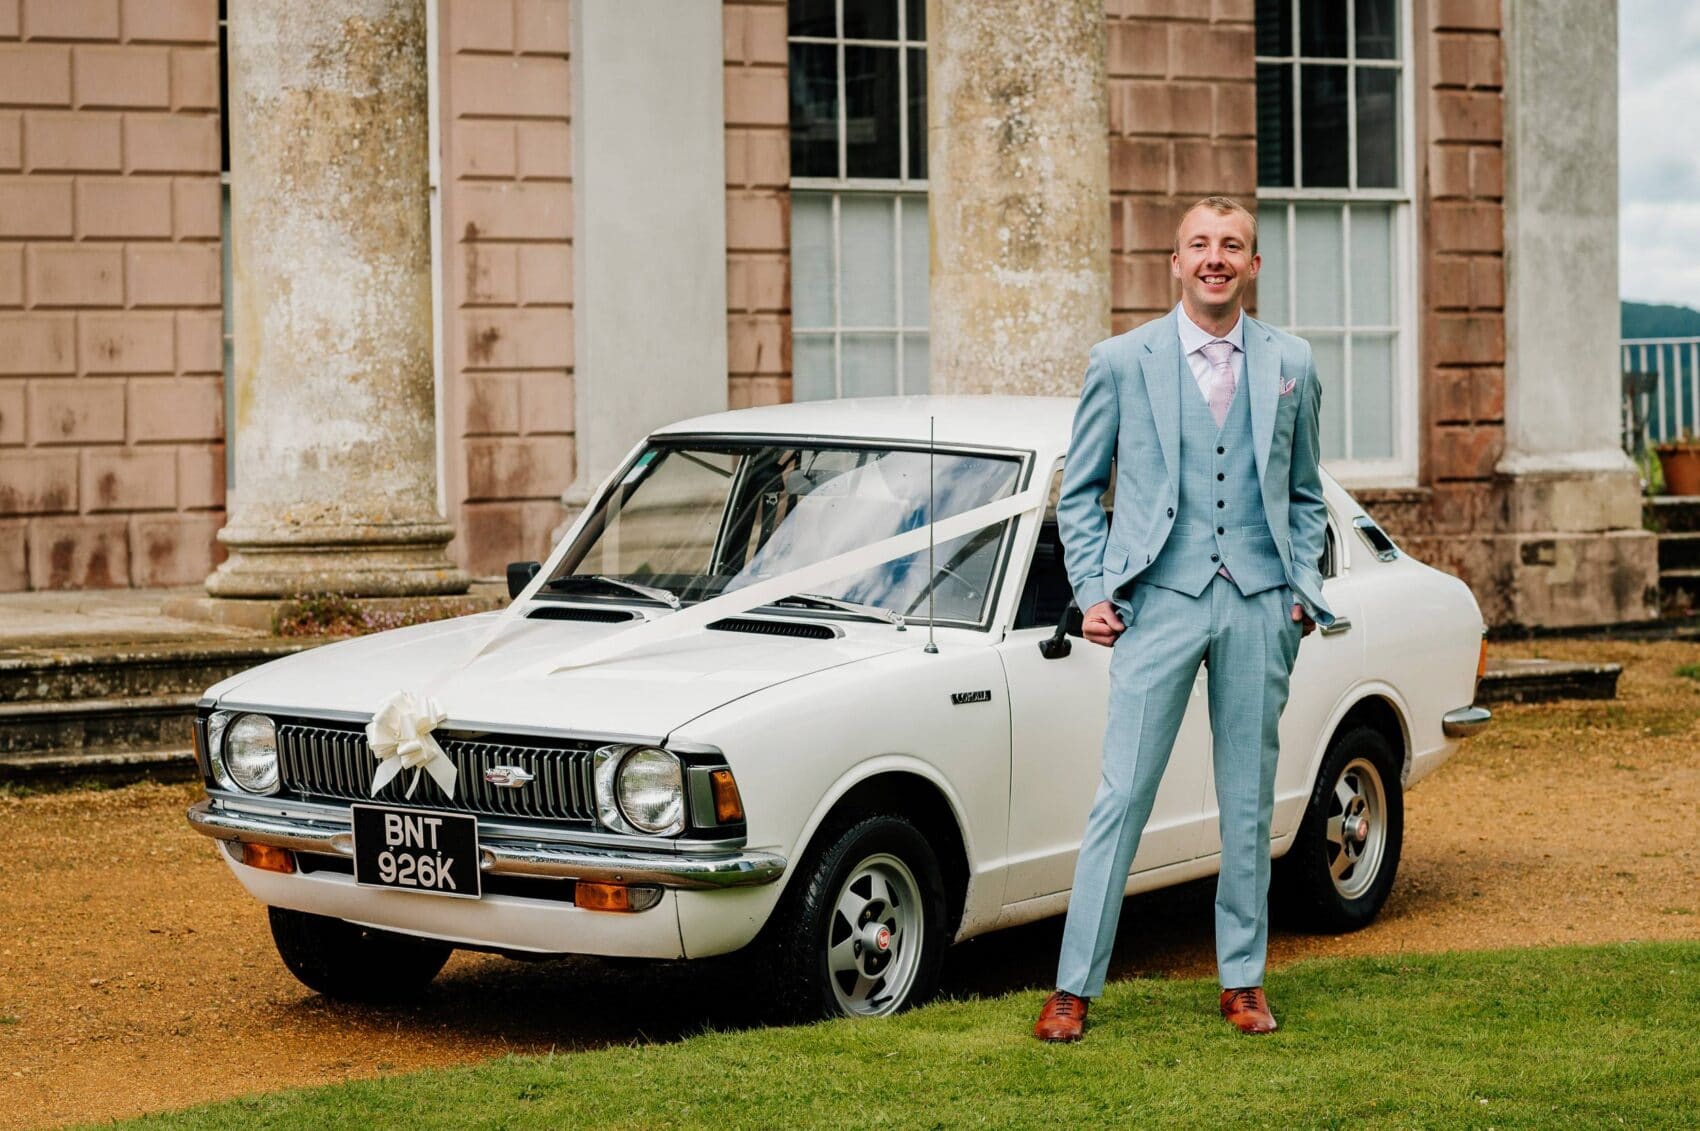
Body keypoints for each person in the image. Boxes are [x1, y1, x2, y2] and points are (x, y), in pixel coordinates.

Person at [1032, 195, 1335, 1041]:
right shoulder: (1122, 361)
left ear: (1253, 265)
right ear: (1174, 261)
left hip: (1258, 603)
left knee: (1247, 800)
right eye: (1200, 244)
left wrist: (1297, 588)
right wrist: (1094, 590)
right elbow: (1081, 493)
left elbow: (1307, 491)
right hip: (1157, 603)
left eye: (1231, 245)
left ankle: (1242, 980)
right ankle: (1072, 987)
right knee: (1122, 793)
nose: (1215, 258)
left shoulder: (1291, 362)